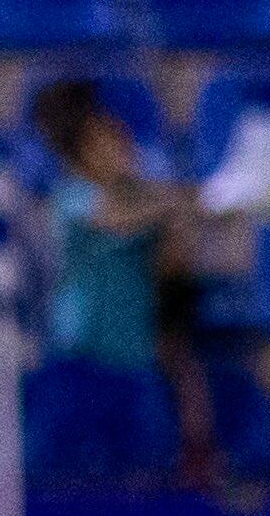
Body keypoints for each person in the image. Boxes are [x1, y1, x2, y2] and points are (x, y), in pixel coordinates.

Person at [28, 76, 210, 485]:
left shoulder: (146, 203)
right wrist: (183, 201)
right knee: (65, 484)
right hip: (78, 363)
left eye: (122, 139)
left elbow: (171, 271)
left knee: (147, 480)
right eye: (106, 142)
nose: (121, 148)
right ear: (83, 154)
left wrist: (177, 225)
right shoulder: (70, 197)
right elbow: (114, 220)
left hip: (135, 362)